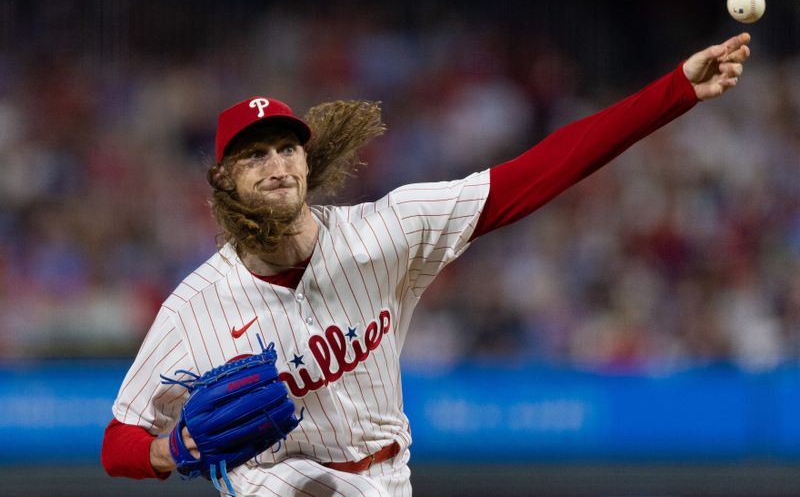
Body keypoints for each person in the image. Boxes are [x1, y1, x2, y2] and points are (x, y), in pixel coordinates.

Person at [101, 33, 751, 496]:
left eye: (284, 148)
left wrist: (675, 91)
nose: (275, 164)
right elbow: (115, 443)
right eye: (253, 156)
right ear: (224, 179)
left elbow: (536, 172)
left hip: (388, 477)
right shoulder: (199, 303)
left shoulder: (385, 231)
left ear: (305, 160)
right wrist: (170, 451)